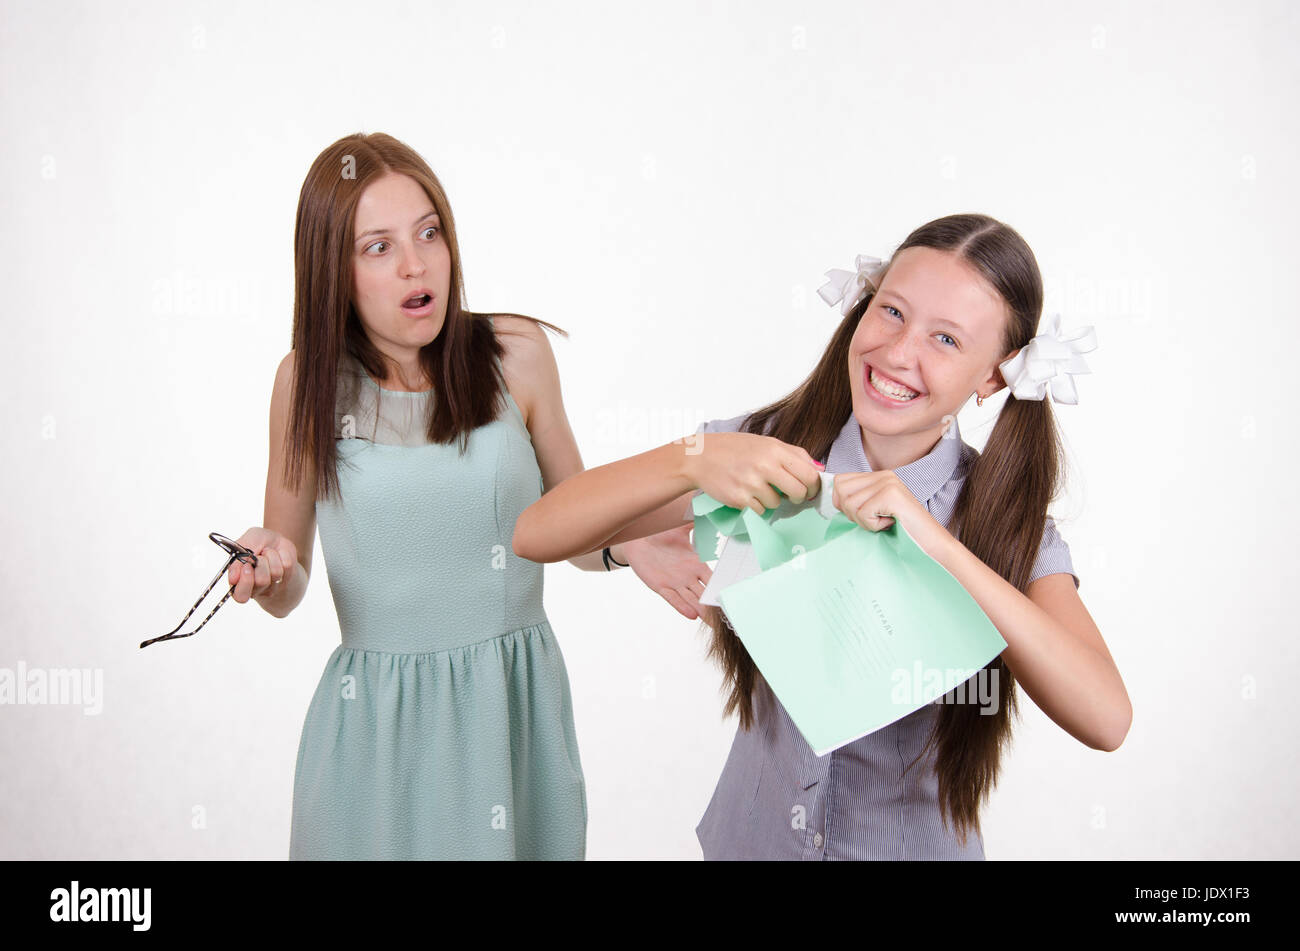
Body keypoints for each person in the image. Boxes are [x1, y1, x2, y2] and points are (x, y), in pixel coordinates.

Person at [513, 213, 1132, 860]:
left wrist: (938, 543)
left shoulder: (1001, 518)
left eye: (946, 339)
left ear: (994, 376)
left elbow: (1106, 717)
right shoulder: (764, 450)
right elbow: (539, 531)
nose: (898, 352)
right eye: (891, 311)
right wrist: (690, 457)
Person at [225, 131, 705, 860]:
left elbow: (569, 519)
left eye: (429, 232)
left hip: (511, 713)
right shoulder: (306, 383)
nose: (416, 263)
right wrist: (266, 561)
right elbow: (287, 583)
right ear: (333, 270)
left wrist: (630, 539)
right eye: (377, 246)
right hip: (375, 730)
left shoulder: (516, 353)